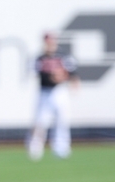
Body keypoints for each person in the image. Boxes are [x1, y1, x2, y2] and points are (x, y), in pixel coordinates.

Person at [27, 32, 79, 160]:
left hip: (60, 91)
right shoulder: (40, 58)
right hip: (45, 91)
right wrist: (52, 76)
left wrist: (67, 79)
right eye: (47, 42)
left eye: (51, 42)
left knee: (62, 120)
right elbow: (35, 73)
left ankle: (61, 148)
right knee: (41, 121)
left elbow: (73, 73)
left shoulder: (63, 56)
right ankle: (35, 148)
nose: (49, 45)